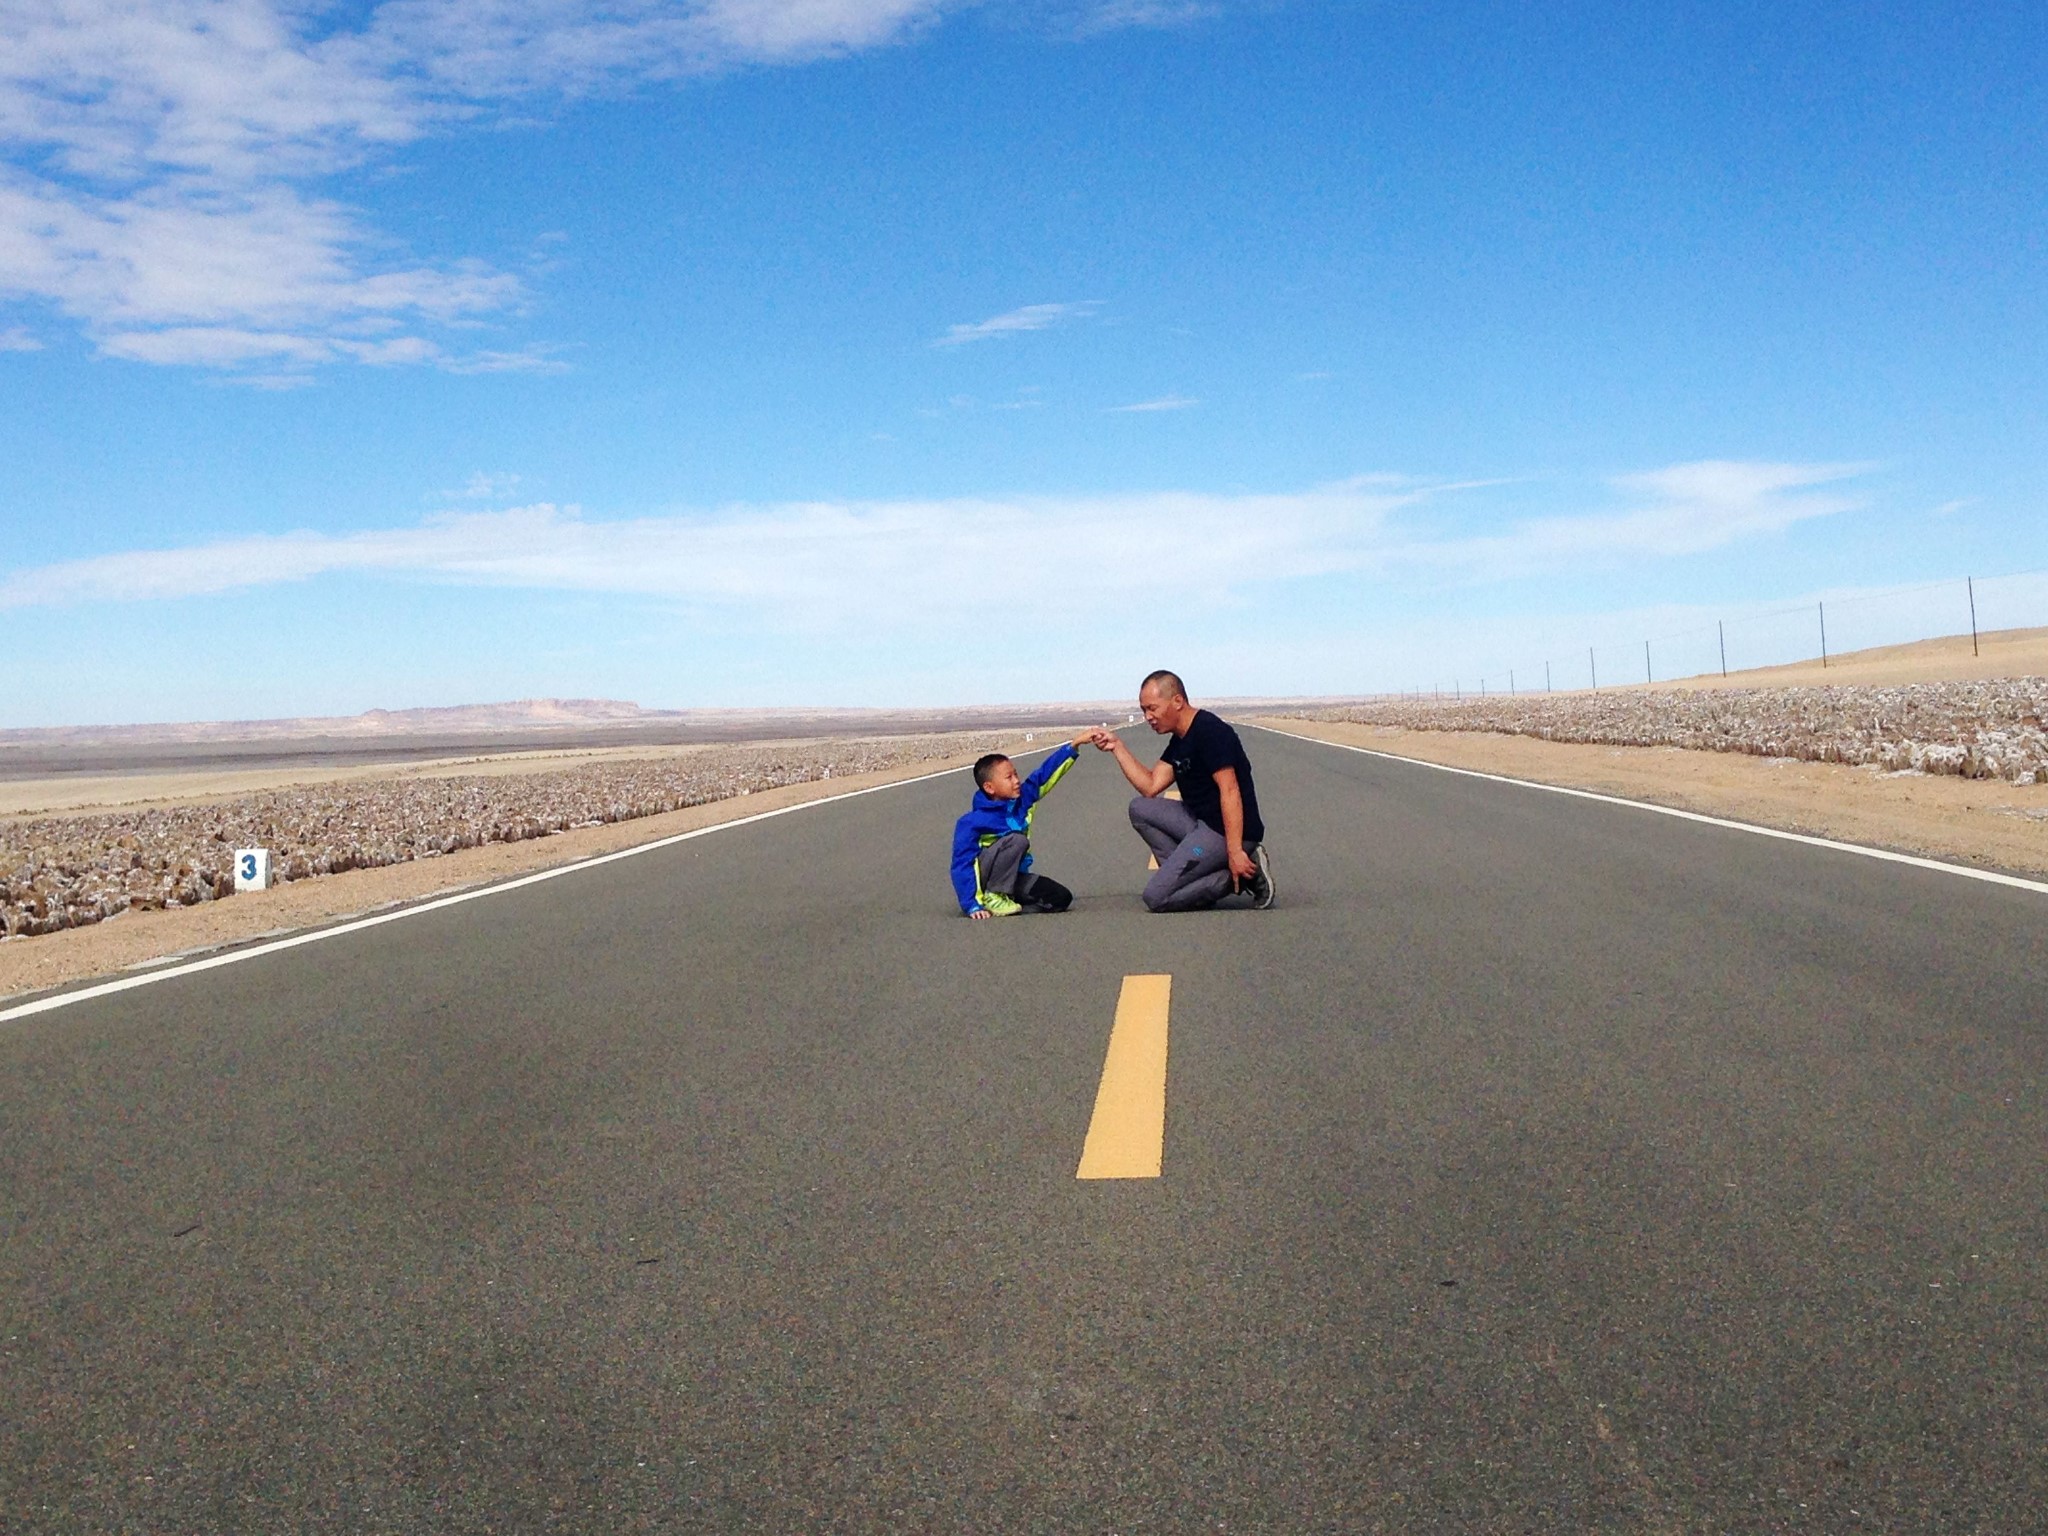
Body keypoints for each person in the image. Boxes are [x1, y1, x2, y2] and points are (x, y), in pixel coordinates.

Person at [1092, 671, 1274, 912]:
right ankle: (1188, 882)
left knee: (1155, 897)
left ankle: (1237, 875)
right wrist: (1117, 746)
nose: (1148, 717)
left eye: (1152, 708)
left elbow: (1230, 790)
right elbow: (1151, 785)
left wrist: (1235, 850)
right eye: (1143, 710)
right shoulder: (1181, 739)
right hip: (1201, 823)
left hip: (1225, 831)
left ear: (1177, 701)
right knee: (1140, 808)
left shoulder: (1211, 732)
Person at [950, 736, 1092, 918]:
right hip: (984, 882)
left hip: (1012, 877)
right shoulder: (971, 822)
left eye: (1015, 774)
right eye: (1009, 777)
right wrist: (972, 905)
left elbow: (1043, 776)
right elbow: (962, 864)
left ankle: (1008, 903)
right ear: (989, 787)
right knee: (1017, 840)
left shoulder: (1021, 801)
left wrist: (1074, 745)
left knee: (1061, 898)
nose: (1016, 780)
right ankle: (993, 896)